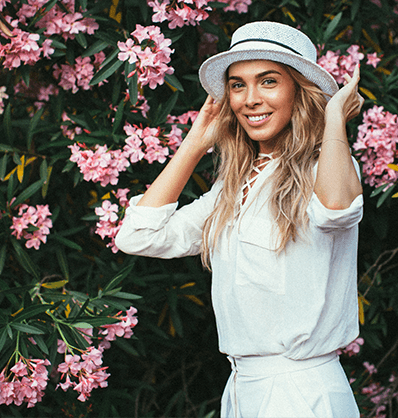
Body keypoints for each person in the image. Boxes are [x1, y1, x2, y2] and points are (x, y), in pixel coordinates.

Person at [115, 20, 364, 418]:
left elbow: (337, 208)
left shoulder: (327, 167)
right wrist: (194, 145)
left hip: (302, 392)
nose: (250, 99)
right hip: (241, 389)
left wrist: (334, 118)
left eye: (268, 81)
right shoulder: (231, 189)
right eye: (237, 85)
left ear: (299, 91)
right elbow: (138, 236)